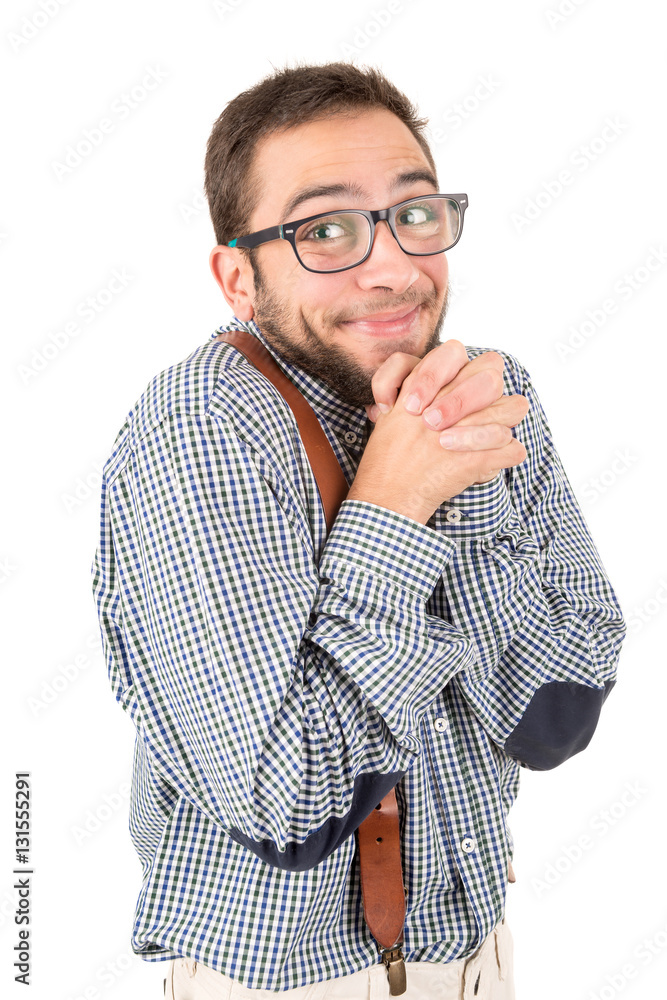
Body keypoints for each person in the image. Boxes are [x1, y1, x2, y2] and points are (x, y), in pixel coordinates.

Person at [91, 62, 626, 999]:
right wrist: (389, 510)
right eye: (325, 229)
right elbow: (289, 807)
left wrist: (453, 484)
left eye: (412, 214)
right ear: (237, 278)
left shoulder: (489, 393)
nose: (393, 266)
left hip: (478, 956)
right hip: (289, 982)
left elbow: (552, 720)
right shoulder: (203, 428)